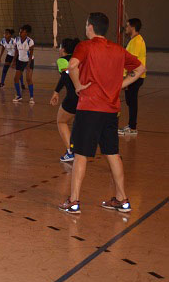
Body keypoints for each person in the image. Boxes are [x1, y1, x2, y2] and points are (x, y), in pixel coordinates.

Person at [57, 12, 145, 214]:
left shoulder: (85, 46)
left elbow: (71, 65)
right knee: (112, 153)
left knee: (80, 155)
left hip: (89, 108)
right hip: (111, 110)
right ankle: (122, 200)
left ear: (90, 27)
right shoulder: (118, 49)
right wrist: (119, 86)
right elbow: (140, 69)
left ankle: (74, 201)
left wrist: (78, 85)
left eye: (86, 24)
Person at [50, 38, 80, 163]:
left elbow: (65, 76)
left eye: (60, 47)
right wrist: (56, 91)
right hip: (85, 97)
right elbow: (66, 75)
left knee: (61, 121)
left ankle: (70, 152)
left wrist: (56, 91)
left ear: (63, 49)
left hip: (73, 97)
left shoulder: (62, 61)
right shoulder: (78, 60)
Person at [119, 18, 146, 136]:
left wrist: (127, 80)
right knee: (130, 101)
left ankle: (133, 128)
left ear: (133, 27)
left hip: (135, 77)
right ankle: (131, 125)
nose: (126, 28)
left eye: (127, 26)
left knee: (132, 101)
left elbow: (132, 62)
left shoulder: (136, 42)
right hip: (133, 77)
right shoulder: (134, 40)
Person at [12, 25, 35, 104]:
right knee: (16, 78)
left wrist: (28, 64)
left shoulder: (30, 41)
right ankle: (19, 95)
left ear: (27, 33)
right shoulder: (16, 40)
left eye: (22, 31)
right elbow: (16, 51)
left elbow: (31, 53)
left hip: (29, 61)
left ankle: (31, 97)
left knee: (28, 79)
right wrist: (14, 61)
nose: (20, 33)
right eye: (20, 31)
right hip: (20, 61)